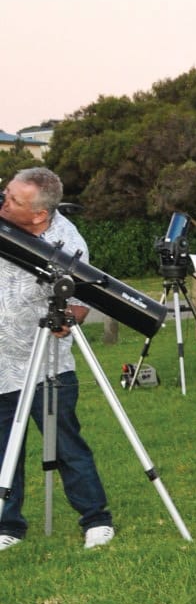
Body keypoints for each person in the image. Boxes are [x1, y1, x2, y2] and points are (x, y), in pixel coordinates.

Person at [0, 168, 115, 553]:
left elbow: (82, 301)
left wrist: (68, 320)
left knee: (65, 444)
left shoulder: (66, 241)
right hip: (0, 363)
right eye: (7, 192)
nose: (4, 201)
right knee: (3, 450)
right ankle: (8, 525)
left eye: (13, 200)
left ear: (38, 215)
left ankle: (95, 519)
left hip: (45, 364)